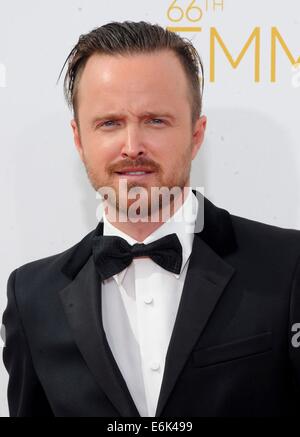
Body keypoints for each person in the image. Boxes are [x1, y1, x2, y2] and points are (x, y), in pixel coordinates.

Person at [2, 21, 300, 418]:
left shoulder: (288, 266)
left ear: (196, 134)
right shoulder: (32, 296)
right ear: (78, 139)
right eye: (109, 123)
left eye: (156, 120)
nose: (132, 147)